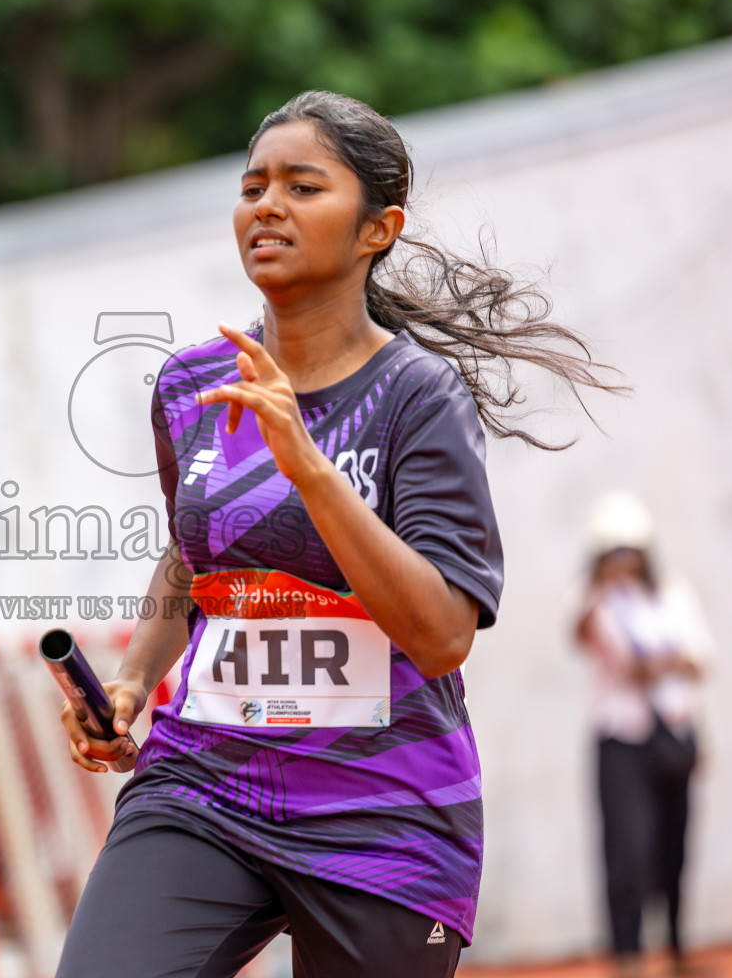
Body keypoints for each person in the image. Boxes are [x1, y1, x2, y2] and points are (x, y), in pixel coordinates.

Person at [55, 90, 617, 978]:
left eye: (302, 187)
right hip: (209, 780)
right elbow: (189, 557)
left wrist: (307, 465)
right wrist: (129, 681)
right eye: (252, 186)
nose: (266, 206)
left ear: (375, 230)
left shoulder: (418, 400)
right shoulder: (192, 384)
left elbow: (440, 638)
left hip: (383, 811)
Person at [575, 492, 712, 977]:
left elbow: (699, 660)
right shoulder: (600, 603)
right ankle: (628, 958)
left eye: (630, 550)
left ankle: (675, 951)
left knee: (674, 847)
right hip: (620, 742)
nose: (624, 562)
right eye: (613, 552)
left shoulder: (674, 592)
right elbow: (610, 652)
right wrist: (663, 660)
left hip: (671, 735)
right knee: (626, 851)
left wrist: (663, 664)